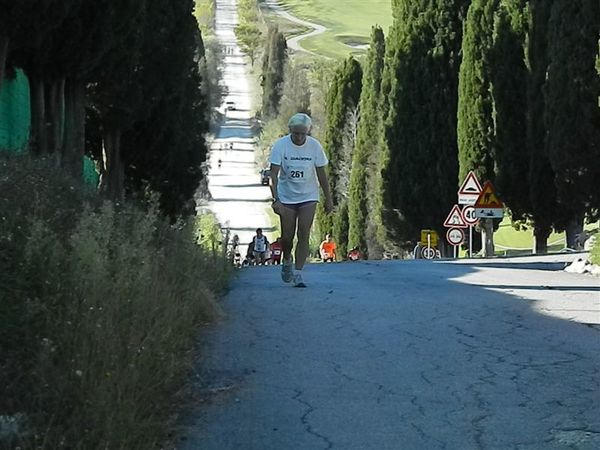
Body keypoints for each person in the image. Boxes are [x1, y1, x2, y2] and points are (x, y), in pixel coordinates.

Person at [270, 113, 333, 287]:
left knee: (304, 233)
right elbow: (273, 175)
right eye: (295, 133)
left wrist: (329, 199)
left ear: (307, 132)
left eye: (302, 134)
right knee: (287, 238)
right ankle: (287, 259)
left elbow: (322, 175)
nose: (299, 137)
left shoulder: (314, 147)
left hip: (308, 196)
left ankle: (298, 273)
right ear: (290, 131)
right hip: (287, 197)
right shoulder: (280, 146)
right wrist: (276, 199)